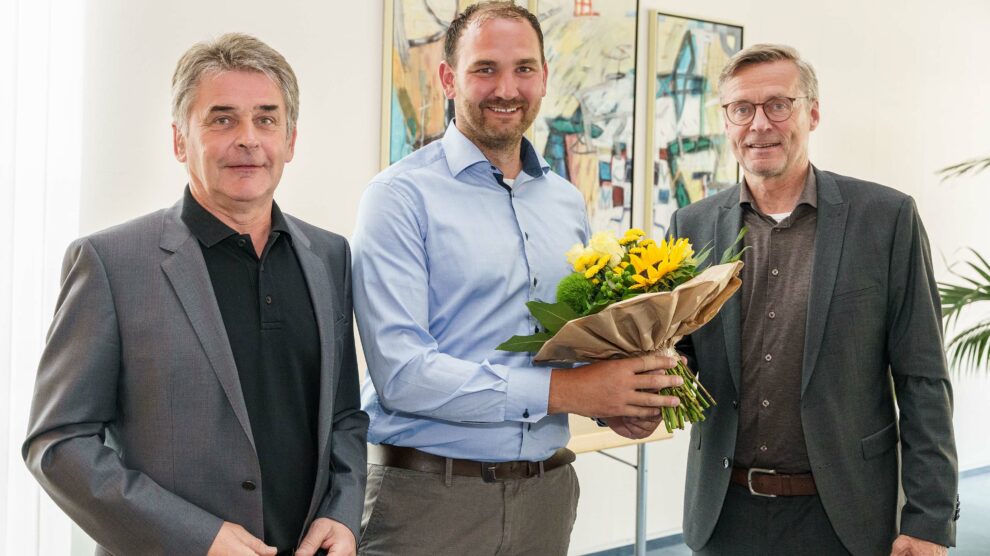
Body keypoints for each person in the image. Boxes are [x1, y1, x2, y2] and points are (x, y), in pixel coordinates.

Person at [351, 2, 682, 555]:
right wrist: (572, 391)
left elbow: (568, 346)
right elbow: (403, 373)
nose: (507, 88)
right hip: (429, 502)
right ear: (448, 79)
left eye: (524, 69)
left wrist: (619, 400)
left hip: (546, 499)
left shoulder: (566, 202)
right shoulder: (398, 198)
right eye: (485, 69)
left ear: (545, 78)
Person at [22, 33, 367, 556]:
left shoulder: (330, 256)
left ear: (290, 140)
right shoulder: (109, 263)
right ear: (181, 140)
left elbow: (344, 418)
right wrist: (196, 538)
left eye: (266, 119)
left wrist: (342, 514)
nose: (248, 138)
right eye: (222, 119)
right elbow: (58, 444)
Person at [664, 44, 958, 555]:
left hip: (844, 515)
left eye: (779, 104)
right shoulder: (690, 227)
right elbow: (680, 354)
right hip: (723, 514)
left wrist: (929, 518)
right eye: (742, 109)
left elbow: (923, 378)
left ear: (812, 113)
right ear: (727, 121)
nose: (759, 124)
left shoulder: (885, 219)